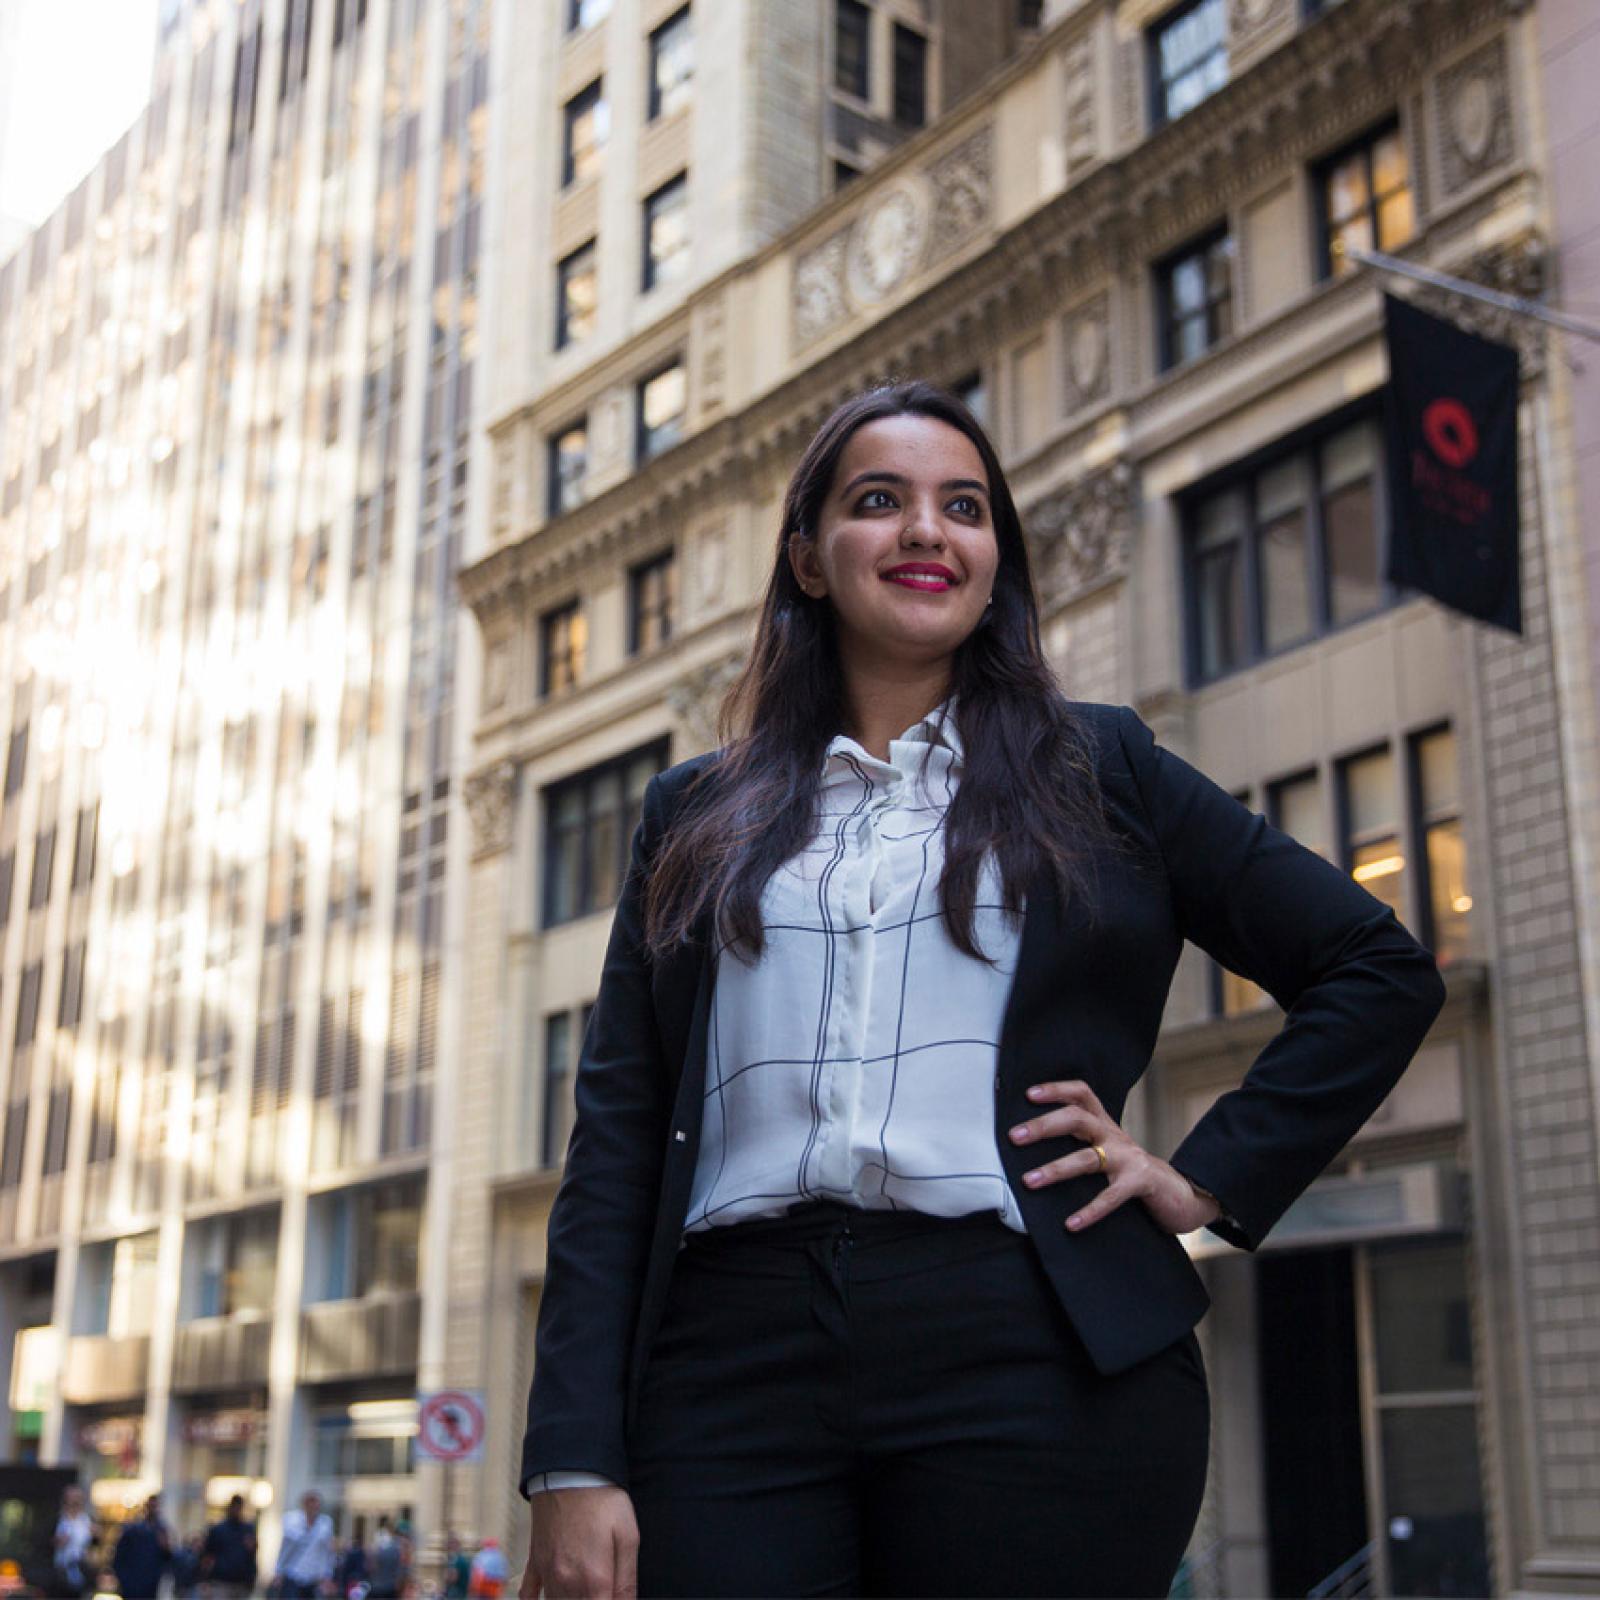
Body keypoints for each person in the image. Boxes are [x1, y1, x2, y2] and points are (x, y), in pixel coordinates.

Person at [516, 380, 1448, 1598]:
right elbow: (617, 1148)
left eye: (962, 505)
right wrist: (570, 1457)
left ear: (993, 558)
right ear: (807, 556)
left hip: (1028, 1353)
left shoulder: (1099, 765)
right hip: (722, 1361)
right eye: (878, 502)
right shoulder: (692, 812)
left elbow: (1372, 966)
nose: (925, 530)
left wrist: (1207, 1175)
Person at [273, 1492, 336, 1600]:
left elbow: (328, 1552)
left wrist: (327, 1575)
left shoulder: (325, 1523)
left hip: (314, 1577)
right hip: (292, 1573)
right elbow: (285, 1548)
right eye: (310, 1502)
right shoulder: (291, 1520)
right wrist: (278, 1572)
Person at [110, 1495, 172, 1600]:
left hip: (151, 1585)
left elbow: (167, 1558)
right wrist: (124, 1579)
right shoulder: (132, 1530)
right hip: (133, 1585)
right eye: (152, 1506)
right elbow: (119, 1556)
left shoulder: (161, 1530)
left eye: (156, 1506)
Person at [200, 1493, 258, 1598]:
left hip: (242, 1582)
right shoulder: (218, 1530)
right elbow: (207, 1556)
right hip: (221, 1581)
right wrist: (205, 1580)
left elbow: (252, 1556)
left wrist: (251, 1577)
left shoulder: (248, 1530)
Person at [50, 1485, 95, 1599]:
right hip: (59, 1570)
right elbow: (45, 1542)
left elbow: (94, 1545)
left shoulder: (87, 1521)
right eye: (72, 1498)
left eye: (78, 1498)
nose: (75, 1501)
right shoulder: (57, 1519)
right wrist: (56, 1541)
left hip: (81, 1569)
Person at [366, 1517, 403, 1600]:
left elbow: (371, 1564)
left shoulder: (379, 1542)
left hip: (378, 1584)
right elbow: (399, 1566)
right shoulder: (396, 1545)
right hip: (388, 1585)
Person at [442, 1535, 471, 1600]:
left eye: (449, 1546)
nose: (447, 1548)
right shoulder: (462, 1558)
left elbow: (454, 1578)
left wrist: (446, 1578)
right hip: (462, 1592)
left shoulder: (457, 1560)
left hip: (456, 1593)